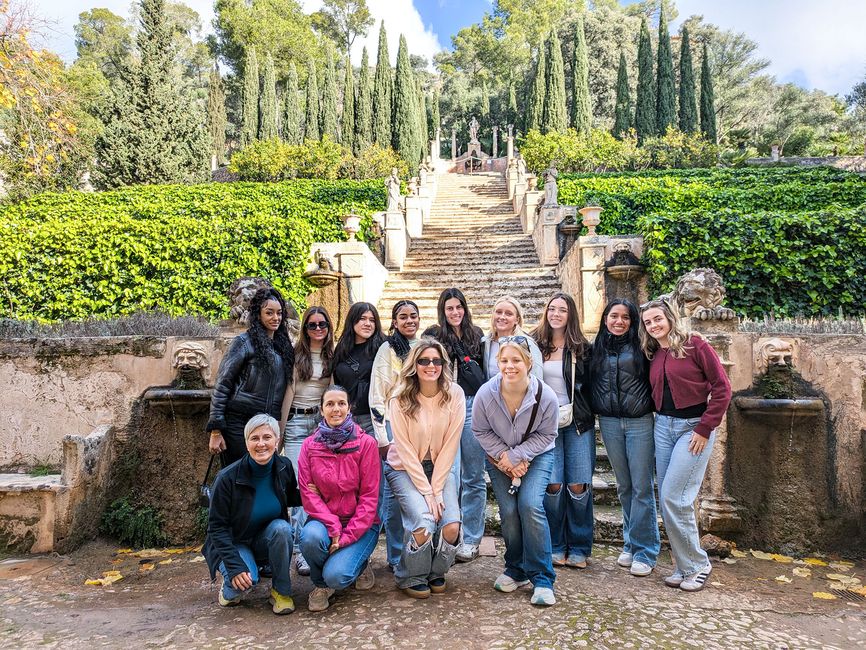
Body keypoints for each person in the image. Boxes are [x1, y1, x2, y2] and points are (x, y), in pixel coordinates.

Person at [639, 299, 732, 592]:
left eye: (657, 319)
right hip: (663, 427)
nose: (653, 325)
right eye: (648, 322)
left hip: (693, 429)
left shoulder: (695, 346)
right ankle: (683, 564)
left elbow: (722, 388)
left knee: (674, 497)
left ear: (670, 318)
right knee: (671, 500)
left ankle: (698, 565)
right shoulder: (655, 352)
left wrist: (705, 428)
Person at [472, 336, 559, 606]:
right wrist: (504, 457)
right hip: (499, 458)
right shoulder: (486, 393)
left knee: (531, 505)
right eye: (505, 360)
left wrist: (518, 455)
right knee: (509, 511)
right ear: (497, 363)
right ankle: (516, 568)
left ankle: (543, 578)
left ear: (529, 363)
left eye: (516, 360)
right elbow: (479, 430)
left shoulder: (546, 396)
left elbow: (548, 434)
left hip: (537, 456)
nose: (510, 366)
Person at [385, 340, 465, 598]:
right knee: (423, 522)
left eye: (436, 361)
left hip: (441, 468)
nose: (431, 366)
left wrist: (437, 489)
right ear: (414, 365)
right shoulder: (400, 397)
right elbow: (405, 451)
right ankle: (409, 575)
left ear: (443, 364)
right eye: (424, 361)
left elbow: (451, 445)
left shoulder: (455, 394)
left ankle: (435, 571)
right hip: (405, 469)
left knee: (451, 524)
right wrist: (427, 493)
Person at [202, 414, 300, 614]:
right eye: (254, 438)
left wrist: (320, 491)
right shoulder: (227, 478)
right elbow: (216, 528)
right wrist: (234, 566)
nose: (261, 444)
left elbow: (291, 497)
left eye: (267, 437)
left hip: (263, 539)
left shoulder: (284, 467)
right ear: (246, 444)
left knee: (282, 529)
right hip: (234, 542)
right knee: (245, 582)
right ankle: (229, 586)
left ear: (277, 441)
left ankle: (281, 592)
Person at [590, 299, 659, 577]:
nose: (619, 321)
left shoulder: (643, 346)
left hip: (639, 421)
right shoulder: (597, 348)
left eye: (625, 317)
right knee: (624, 486)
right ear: (605, 318)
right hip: (608, 421)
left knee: (642, 487)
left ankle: (646, 550)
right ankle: (631, 542)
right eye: (613, 316)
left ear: (633, 321)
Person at [298, 386, 381, 612]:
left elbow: (369, 499)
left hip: (361, 524)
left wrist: (344, 539)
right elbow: (307, 493)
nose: (336, 409)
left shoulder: (366, 444)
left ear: (349, 407)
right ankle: (320, 585)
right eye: (330, 404)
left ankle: (358, 563)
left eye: (341, 403)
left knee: (338, 576)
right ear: (322, 410)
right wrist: (333, 526)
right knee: (309, 538)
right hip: (325, 522)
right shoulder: (309, 446)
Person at [422, 288, 486, 563]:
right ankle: (446, 533)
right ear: (442, 310)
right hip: (443, 405)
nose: (455, 313)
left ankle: (470, 539)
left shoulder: (477, 334)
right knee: (446, 474)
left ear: (465, 308)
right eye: (450, 308)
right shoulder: (434, 335)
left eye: (459, 307)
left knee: (473, 474)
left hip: (472, 405)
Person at [532, 292, 595, 569]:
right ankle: (556, 544)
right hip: (546, 425)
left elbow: (592, 386)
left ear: (571, 315)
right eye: (552, 309)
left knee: (577, 485)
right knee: (553, 485)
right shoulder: (536, 345)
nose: (556, 314)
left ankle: (579, 546)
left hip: (578, 421)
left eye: (562, 310)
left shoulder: (582, 347)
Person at [207, 287, 294, 467]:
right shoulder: (244, 342)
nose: (275, 318)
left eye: (279, 313)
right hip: (239, 423)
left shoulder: (283, 347)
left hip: (268, 423)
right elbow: (223, 384)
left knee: (261, 477)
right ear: (258, 314)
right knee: (239, 478)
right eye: (269, 313)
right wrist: (216, 430)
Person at [369, 299, 422, 570]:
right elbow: (378, 395)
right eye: (403, 317)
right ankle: (396, 555)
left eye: (413, 316)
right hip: (393, 425)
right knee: (393, 494)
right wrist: (382, 437)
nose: (409, 321)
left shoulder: (424, 347)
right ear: (395, 321)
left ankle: (418, 548)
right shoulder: (387, 349)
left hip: (422, 428)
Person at [283, 306, 334, 576]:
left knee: (316, 487)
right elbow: (287, 390)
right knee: (299, 487)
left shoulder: (332, 355)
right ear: (304, 329)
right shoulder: (295, 354)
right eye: (312, 325)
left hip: (320, 424)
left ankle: (309, 544)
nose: (317, 329)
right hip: (294, 422)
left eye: (322, 324)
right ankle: (299, 550)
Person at [332, 302, 386, 437]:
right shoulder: (342, 349)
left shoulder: (383, 348)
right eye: (362, 318)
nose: (368, 323)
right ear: (352, 320)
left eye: (372, 320)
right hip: (346, 419)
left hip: (374, 419)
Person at [482, 295, 543, 381]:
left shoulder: (527, 344)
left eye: (509, 314)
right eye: (499, 312)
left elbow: (537, 379)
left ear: (517, 320)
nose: (502, 317)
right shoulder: (485, 343)